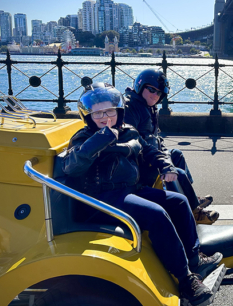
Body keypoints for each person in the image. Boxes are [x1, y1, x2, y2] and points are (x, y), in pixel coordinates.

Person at [62, 82, 222, 305]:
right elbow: (72, 166)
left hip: (129, 191)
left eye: (109, 111)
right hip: (102, 200)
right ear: (88, 115)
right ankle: (185, 281)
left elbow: (149, 150)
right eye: (97, 113)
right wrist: (101, 138)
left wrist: (166, 166)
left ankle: (194, 260)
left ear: (118, 111)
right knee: (156, 214)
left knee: (178, 201)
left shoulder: (128, 131)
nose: (104, 117)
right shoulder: (84, 137)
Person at [124, 68, 219, 225]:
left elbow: (154, 136)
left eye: (159, 93)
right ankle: (194, 213)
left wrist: (163, 153)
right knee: (178, 172)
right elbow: (136, 140)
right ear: (140, 85)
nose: (155, 95)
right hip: (139, 160)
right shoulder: (130, 107)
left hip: (151, 154)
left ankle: (191, 198)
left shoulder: (147, 105)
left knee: (176, 154)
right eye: (151, 90)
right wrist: (162, 160)